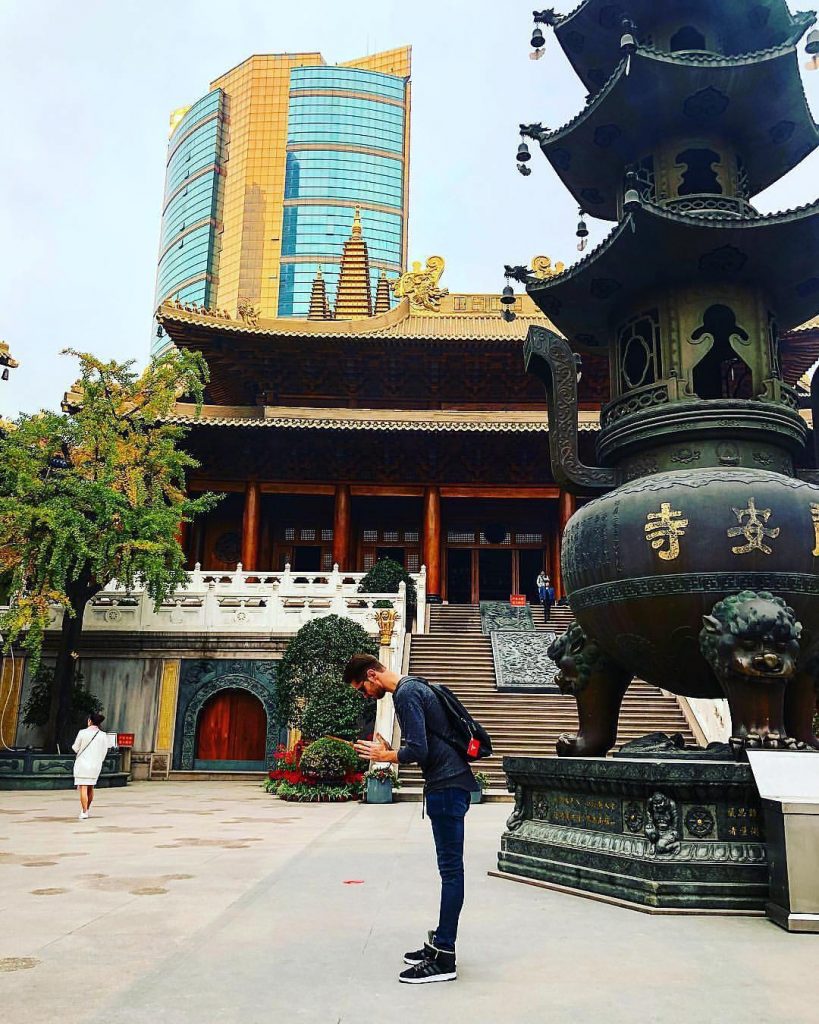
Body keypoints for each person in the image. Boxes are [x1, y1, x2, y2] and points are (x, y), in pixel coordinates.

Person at [344, 653, 476, 985]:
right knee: (450, 871)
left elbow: (418, 750)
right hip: (450, 783)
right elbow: (424, 742)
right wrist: (391, 749)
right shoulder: (414, 687)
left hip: (447, 786)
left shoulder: (405, 694)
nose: (365, 696)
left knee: (451, 872)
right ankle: (440, 942)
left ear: (372, 675)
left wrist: (384, 755)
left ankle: (445, 955)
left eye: (362, 689)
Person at [72, 712, 115, 820]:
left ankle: (84, 811)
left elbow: (75, 748)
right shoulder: (103, 735)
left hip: (82, 764)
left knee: (83, 787)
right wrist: (99, 760)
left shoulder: (82, 733)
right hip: (95, 765)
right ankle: (86, 809)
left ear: (89, 721)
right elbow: (104, 751)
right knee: (91, 787)